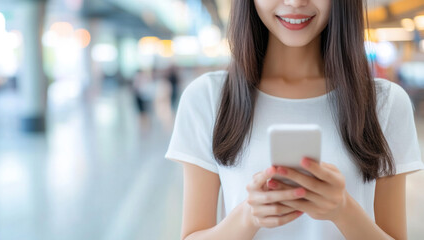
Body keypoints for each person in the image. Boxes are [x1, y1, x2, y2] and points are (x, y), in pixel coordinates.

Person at [165, 0, 424, 239]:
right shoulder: (208, 98)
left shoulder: (385, 102)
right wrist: (248, 216)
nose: (295, 2)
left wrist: (343, 210)